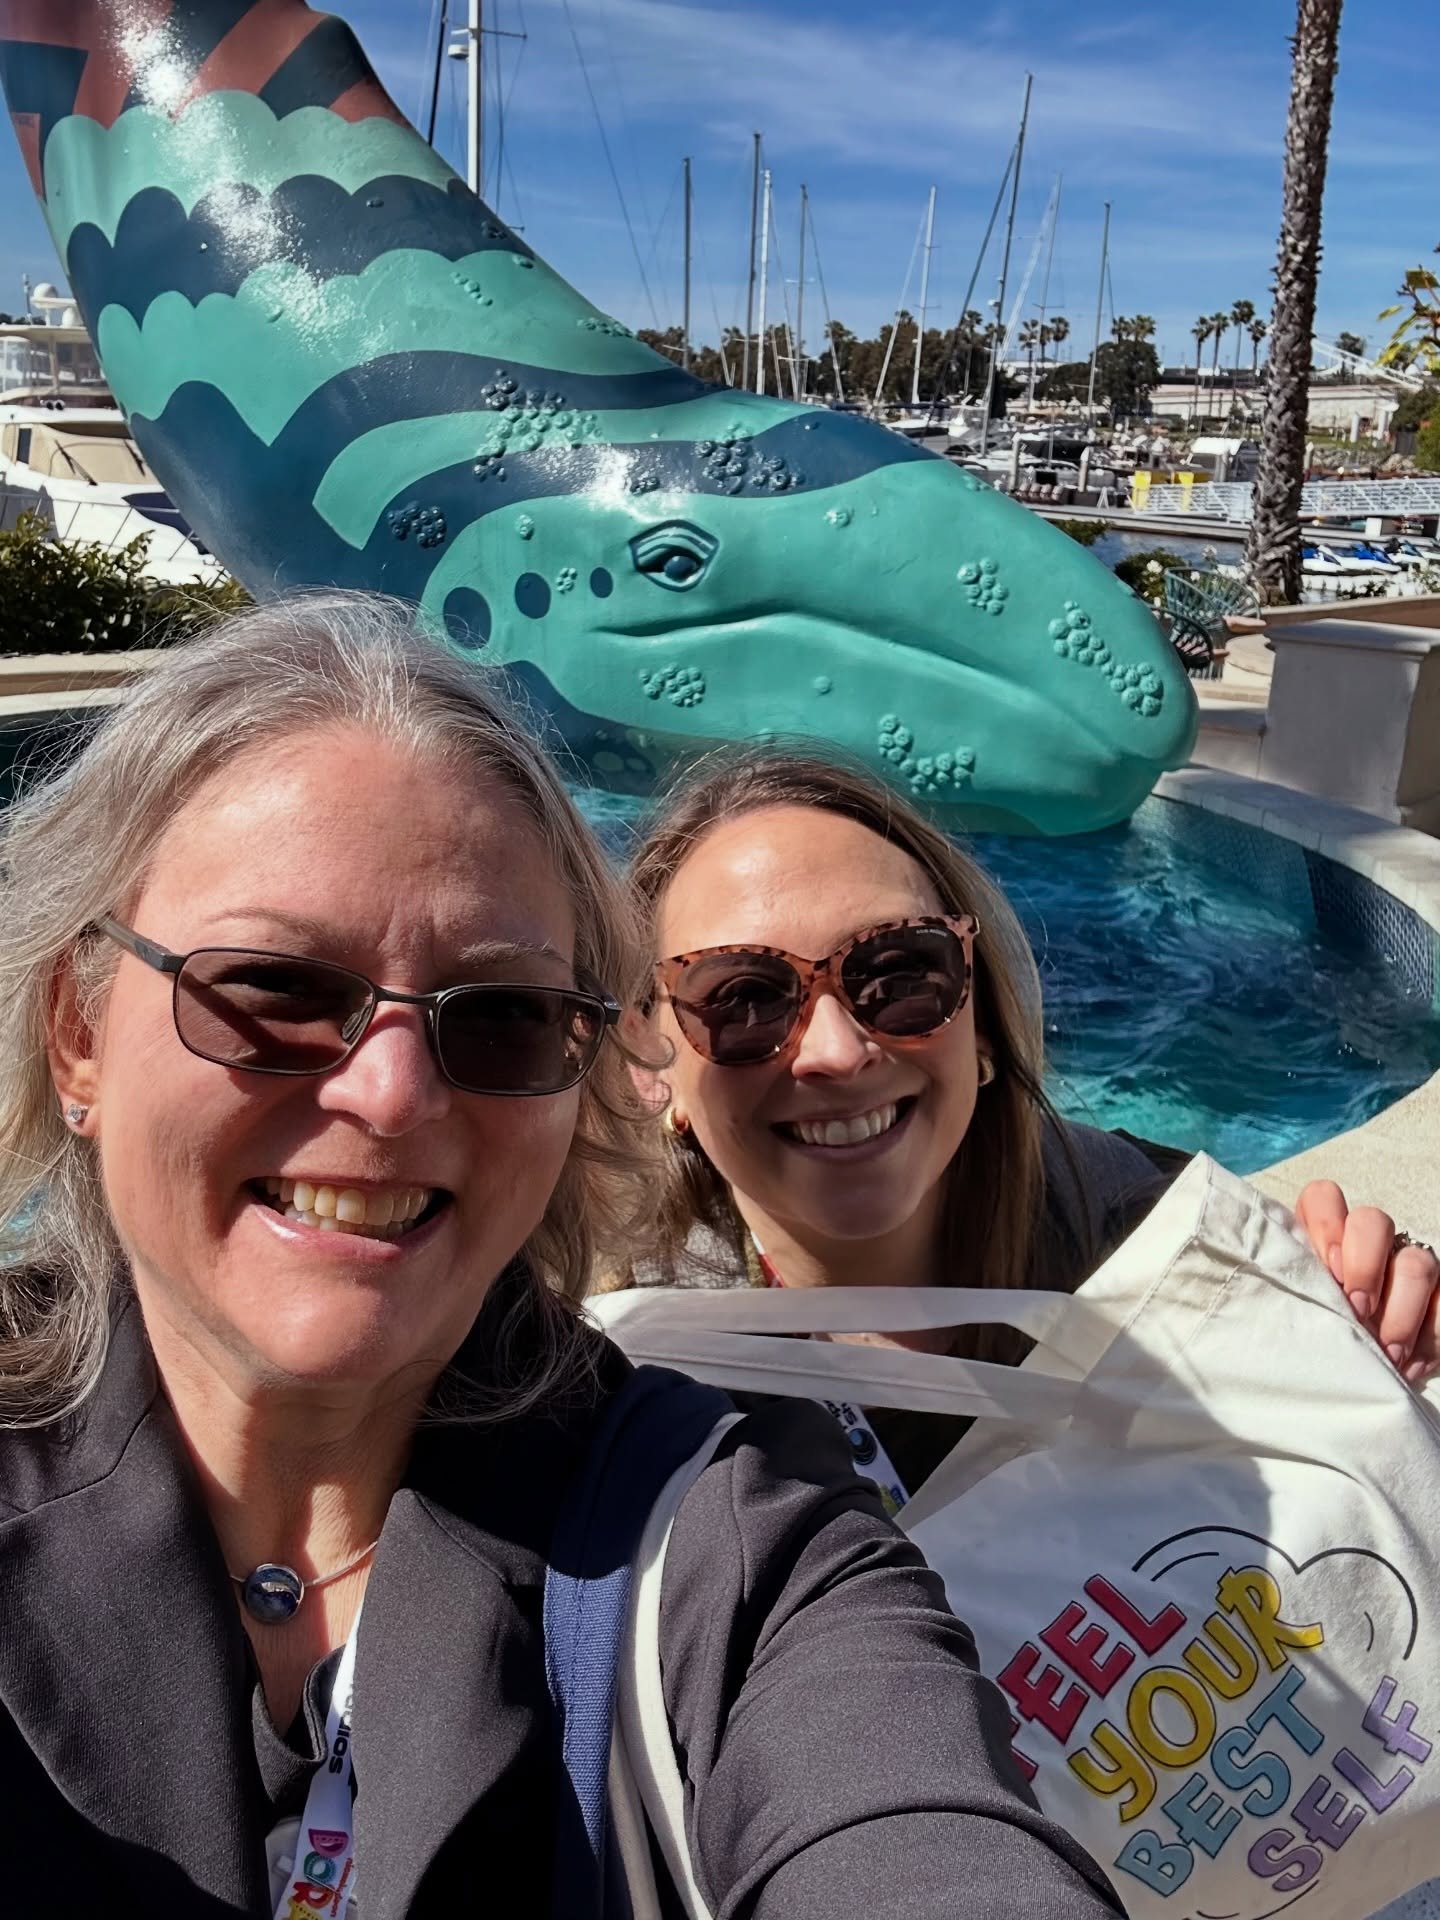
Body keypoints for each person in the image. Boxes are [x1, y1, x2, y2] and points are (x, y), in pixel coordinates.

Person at [0, 594, 1125, 1917]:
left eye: (503, 1018)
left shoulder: (728, 1536)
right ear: (79, 1029)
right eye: (279, 989)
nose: (394, 1093)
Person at [615, 748, 1439, 1502]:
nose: (837, 1051)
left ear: (980, 1028)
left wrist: (1374, 1321)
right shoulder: (640, 1389)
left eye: (900, 969)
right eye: (743, 997)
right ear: (660, 1069)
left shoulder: (1146, 1237)